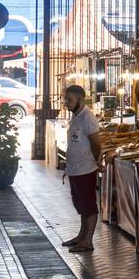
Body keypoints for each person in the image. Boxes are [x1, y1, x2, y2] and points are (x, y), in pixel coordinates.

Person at [61, 85, 102, 253]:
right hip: (75, 169)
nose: (66, 103)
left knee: (89, 205)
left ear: (80, 98)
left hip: (86, 168)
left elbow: (96, 143)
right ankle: (81, 236)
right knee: (80, 204)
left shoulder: (88, 118)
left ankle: (88, 241)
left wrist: (97, 162)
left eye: (69, 99)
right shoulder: (77, 116)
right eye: (65, 99)